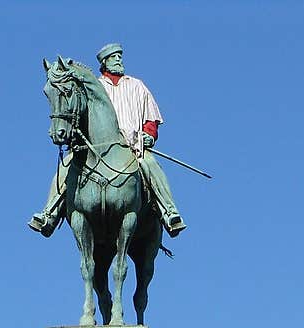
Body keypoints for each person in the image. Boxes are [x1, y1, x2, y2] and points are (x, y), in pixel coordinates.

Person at [29, 42, 186, 239]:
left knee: (151, 165)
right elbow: (78, 113)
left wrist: (149, 134)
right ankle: (49, 212)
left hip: (132, 146)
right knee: (65, 168)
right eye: (113, 57)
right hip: (95, 146)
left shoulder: (137, 86)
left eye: (119, 56)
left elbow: (151, 117)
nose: (118, 60)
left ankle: (169, 211)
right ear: (104, 62)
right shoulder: (95, 86)